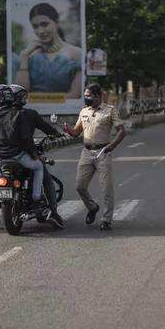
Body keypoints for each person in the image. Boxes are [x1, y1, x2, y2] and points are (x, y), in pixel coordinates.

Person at [0, 84, 64, 229]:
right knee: (41, 170)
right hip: (20, 154)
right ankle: (44, 204)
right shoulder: (24, 114)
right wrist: (35, 154)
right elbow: (26, 139)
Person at [63, 84, 126, 231]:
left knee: (106, 189)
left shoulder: (110, 110)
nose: (86, 98)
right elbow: (76, 132)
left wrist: (111, 146)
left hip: (103, 152)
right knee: (80, 186)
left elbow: (121, 131)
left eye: (89, 96)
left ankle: (106, 220)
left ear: (98, 96)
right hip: (86, 152)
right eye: (85, 95)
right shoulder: (84, 111)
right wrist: (67, 129)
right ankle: (92, 207)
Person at [14, 3, 82, 98]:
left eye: (44, 24)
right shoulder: (29, 54)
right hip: (31, 112)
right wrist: (25, 57)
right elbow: (21, 93)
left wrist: (39, 99)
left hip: (64, 111)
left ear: (57, 23)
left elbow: (75, 94)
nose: (40, 31)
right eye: (35, 27)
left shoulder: (76, 53)